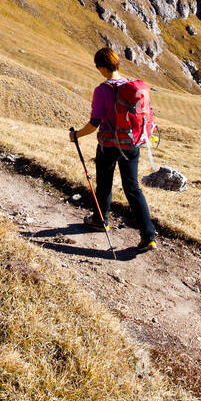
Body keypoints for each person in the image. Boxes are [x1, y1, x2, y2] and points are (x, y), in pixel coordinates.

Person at [69, 47, 158, 253]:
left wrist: (76, 136)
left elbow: (94, 124)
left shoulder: (102, 90)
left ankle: (101, 221)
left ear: (101, 66)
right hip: (131, 144)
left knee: (104, 184)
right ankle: (149, 236)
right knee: (133, 189)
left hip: (108, 145)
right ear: (117, 64)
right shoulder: (132, 87)